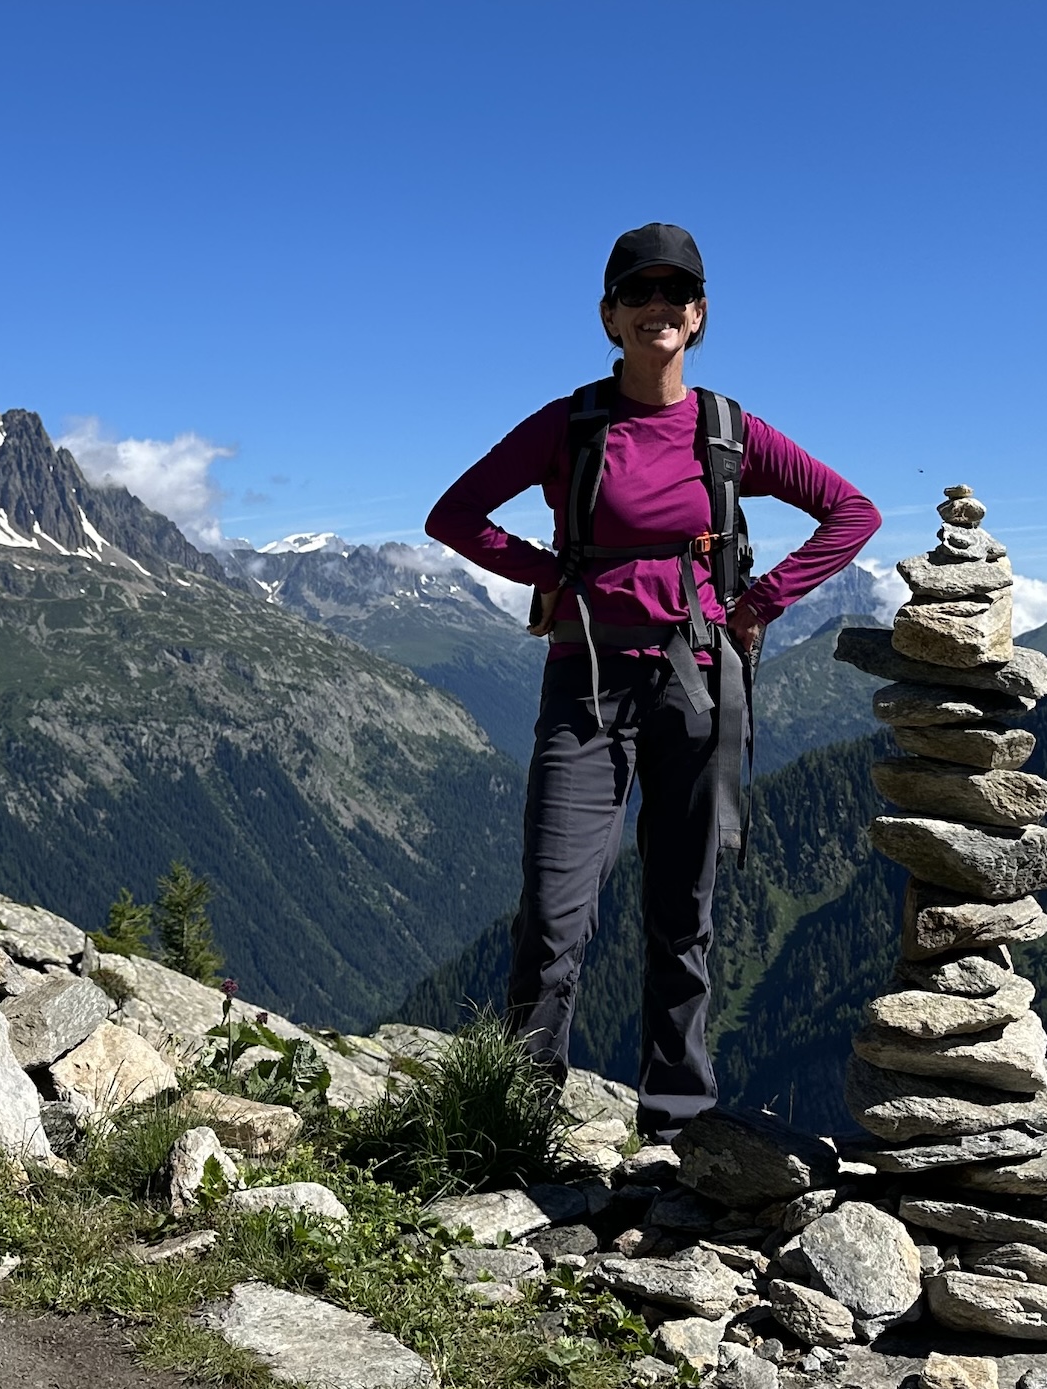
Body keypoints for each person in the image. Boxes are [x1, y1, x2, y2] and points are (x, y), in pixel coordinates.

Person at [424, 223, 880, 1141]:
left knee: (684, 915)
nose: (656, 307)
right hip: (586, 685)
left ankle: (674, 1128)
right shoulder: (571, 423)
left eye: (674, 294)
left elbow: (851, 511)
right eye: (637, 294)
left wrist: (759, 602)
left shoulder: (727, 430)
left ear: (698, 315)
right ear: (609, 315)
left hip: (697, 688)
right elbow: (455, 515)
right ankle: (516, 1117)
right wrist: (547, 575)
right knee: (553, 912)